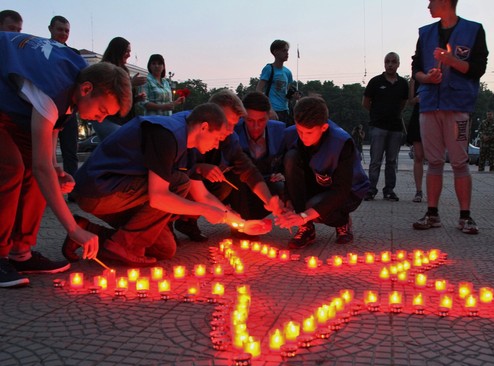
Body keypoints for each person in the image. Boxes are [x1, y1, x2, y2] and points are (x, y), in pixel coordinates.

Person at [0, 32, 132, 287]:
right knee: (11, 168)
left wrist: (54, 168)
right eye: (102, 111)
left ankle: (20, 252)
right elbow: (40, 166)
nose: (101, 120)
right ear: (86, 89)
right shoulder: (53, 88)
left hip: (11, 103)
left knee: (42, 174)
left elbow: (50, 137)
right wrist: (73, 229)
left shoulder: (80, 83)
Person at [67, 103, 252, 266]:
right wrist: (205, 210)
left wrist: (235, 220)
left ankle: (86, 231)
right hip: (99, 190)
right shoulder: (167, 134)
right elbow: (159, 197)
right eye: (218, 138)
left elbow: (201, 194)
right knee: (179, 183)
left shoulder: (186, 144)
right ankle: (124, 244)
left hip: (120, 194)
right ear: (204, 127)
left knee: (164, 248)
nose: (217, 146)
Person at [412, 0, 488, 235]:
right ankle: (432, 213)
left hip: (457, 105)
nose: (428, 6)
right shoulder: (425, 33)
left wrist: (451, 61)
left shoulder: (473, 30)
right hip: (429, 105)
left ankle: (465, 216)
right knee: (433, 161)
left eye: (431, 1)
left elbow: (478, 68)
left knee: (459, 161)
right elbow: (415, 68)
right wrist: (427, 77)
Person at [174, 90, 284, 240]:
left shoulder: (230, 138)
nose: (231, 130)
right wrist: (200, 167)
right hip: (155, 185)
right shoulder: (181, 131)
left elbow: (248, 170)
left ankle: (187, 219)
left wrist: (268, 201)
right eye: (228, 123)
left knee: (225, 181)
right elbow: (167, 179)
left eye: (234, 124)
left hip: (192, 183)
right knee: (179, 181)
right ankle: (166, 224)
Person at [276, 97, 370, 248]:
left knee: (314, 207)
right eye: (300, 130)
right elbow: (289, 174)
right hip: (317, 183)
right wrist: (288, 202)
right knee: (290, 158)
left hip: (348, 192)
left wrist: (305, 215)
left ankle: (342, 221)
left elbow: (341, 191)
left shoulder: (341, 142)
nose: (303, 137)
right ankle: (306, 229)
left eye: (309, 132)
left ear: (324, 128)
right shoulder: (291, 135)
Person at [227, 91, 287, 220]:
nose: (255, 126)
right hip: (239, 186)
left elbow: (287, 158)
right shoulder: (232, 131)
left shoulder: (280, 131)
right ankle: (243, 221)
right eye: (250, 120)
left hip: (267, 181)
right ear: (242, 117)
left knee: (281, 186)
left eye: (261, 120)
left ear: (269, 116)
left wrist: (282, 173)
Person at [362, 52, 409, 202]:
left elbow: (403, 103)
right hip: (378, 127)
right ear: (384, 64)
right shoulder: (375, 82)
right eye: (387, 61)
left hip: (395, 128)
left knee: (391, 161)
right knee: (375, 160)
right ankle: (370, 189)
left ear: (398, 64)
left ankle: (389, 190)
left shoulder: (402, 84)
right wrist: (377, 114)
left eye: (393, 62)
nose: (390, 64)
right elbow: (365, 102)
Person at [92, 37, 146, 139]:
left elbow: (122, 99)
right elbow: (107, 93)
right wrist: (130, 84)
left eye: (130, 51)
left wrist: (136, 98)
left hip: (124, 119)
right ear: (118, 51)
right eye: (126, 51)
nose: (129, 54)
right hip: (108, 119)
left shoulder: (124, 70)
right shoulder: (105, 69)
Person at [49, 16, 79, 179]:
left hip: (68, 110)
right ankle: (46, 188)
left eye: (66, 30)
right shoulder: (43, 50)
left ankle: (73, 188)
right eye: (60, 29)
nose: (63, 33)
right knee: (47, 151)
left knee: (70, 150)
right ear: (51, 29)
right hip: (47, 106)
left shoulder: (73, 54)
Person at [256, 39, 298, 124]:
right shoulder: (269, 69)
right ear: (275, 52)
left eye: (287, 51)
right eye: (284, 50)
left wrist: (294, 96)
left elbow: (286, 93)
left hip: (285, 110)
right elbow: (258, 90)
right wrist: (269, 109)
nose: (287, 53)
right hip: (273, 111)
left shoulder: (287, 72)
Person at [406, 60, 425, 203]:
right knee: (418, 156)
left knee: (435, 158)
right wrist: (416, 99)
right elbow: (410, 101)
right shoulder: (414, 78)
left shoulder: (439, 71)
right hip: (419, 115)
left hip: (435, 114)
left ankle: (433, 189)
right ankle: (419, 191)